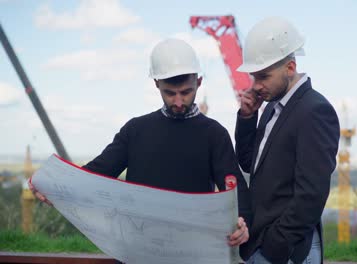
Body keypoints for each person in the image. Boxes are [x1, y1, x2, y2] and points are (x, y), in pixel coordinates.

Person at [29, 38, 251, 252]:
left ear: (198, 82)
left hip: (193, 252)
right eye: (170, 93)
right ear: (156, 84)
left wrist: (242, 222)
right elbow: (96, 173)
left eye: (186, 92)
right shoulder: (135, 131)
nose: (178, 101)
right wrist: (54, 185)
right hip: (138, 251)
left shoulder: (214, 134)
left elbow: (233, 186)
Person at [234, 17, 340, 264]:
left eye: (263, 76)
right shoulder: (272, 107)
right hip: (265, 243)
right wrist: (248, 118)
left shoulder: (315, 110)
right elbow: (249, 163)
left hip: (288, 250)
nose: (256, 86)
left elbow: (311, 195)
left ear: (290, 67)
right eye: (253, 77)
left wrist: (274, 247)